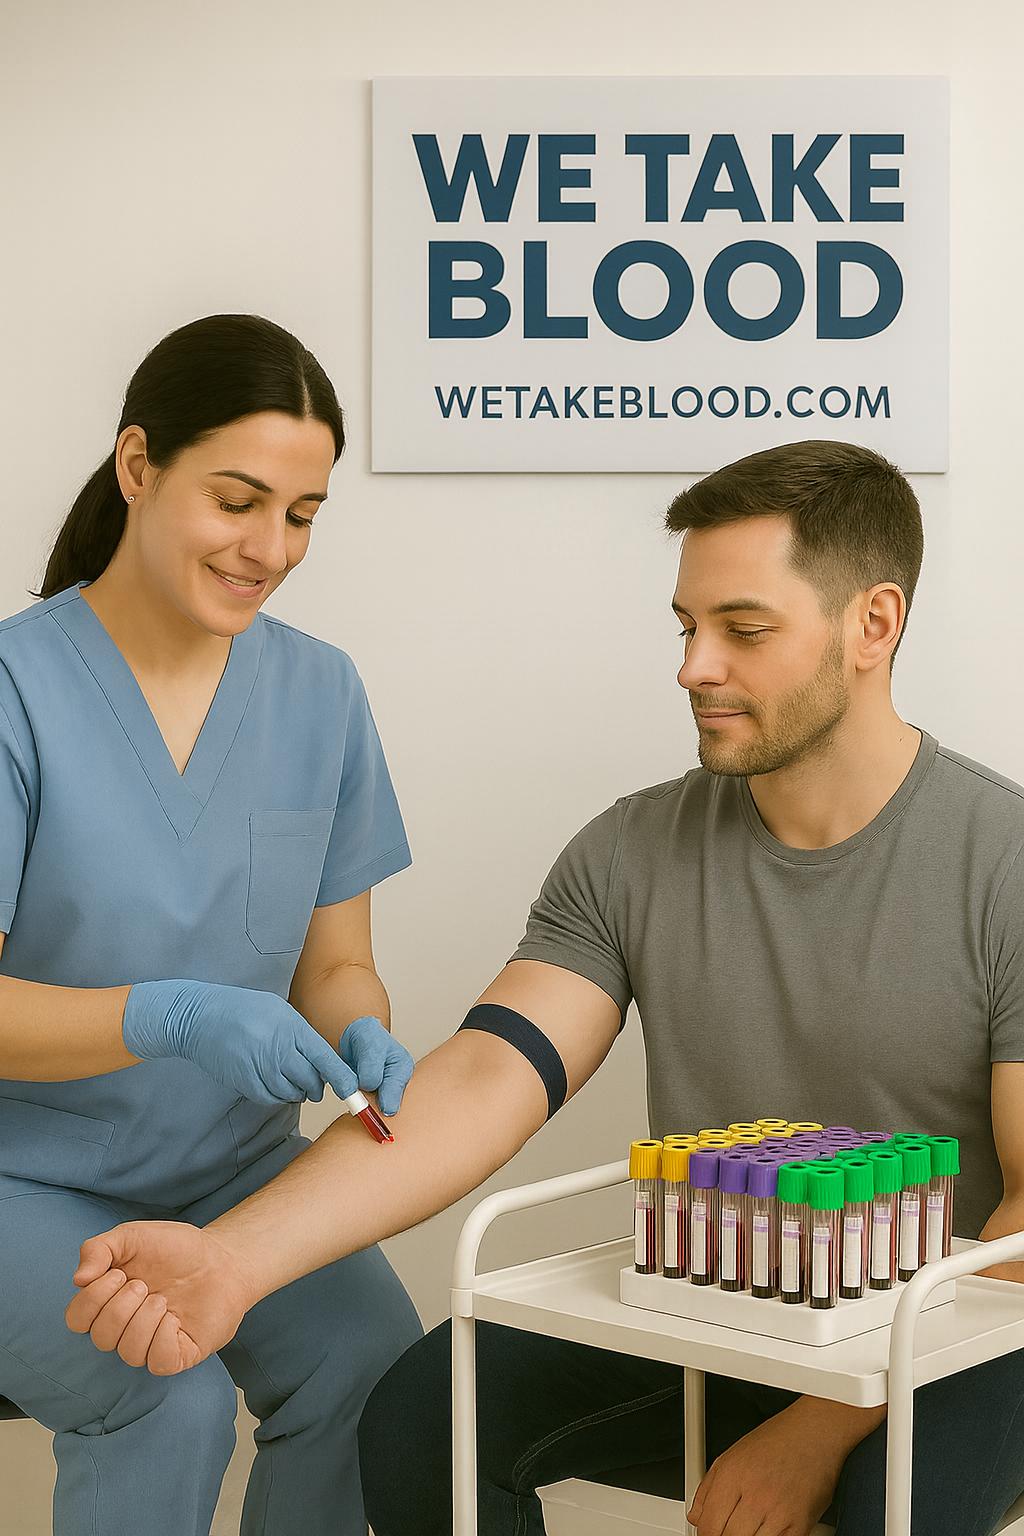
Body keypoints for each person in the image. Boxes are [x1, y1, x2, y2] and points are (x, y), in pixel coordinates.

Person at [64, 440, 1024, 1536]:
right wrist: (231, 1261)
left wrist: (817, 1427)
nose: (694, 666)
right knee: (425, 1418)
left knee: (889, 1502)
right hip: (737, 1307)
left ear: (873, 624)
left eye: (743, 630)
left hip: (961, 1337)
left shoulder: (1002, 862)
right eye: (686, 626)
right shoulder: (632, 852)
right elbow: (483, 1078)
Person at [0, 313, 424, 1536]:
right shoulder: (17, 692)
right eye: (236, 502)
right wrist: (169, 1017)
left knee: (379, 1372)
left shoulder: (320, 692)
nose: (269, 549)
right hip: (24, 1179)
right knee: (163, 1391)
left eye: (301, 514)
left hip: (236, 1172)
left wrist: (360, 1032)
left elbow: (336, 960)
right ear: (138, 465)